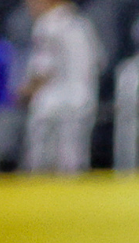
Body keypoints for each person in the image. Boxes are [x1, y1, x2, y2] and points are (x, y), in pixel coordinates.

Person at [19, 0, 102, 173]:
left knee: (42, 163)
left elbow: (43, 69)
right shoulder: (82, 24)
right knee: (74, 160)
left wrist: (24, 91)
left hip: (52, 104)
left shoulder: (46, 24)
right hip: (83, 99)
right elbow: (99, 62)